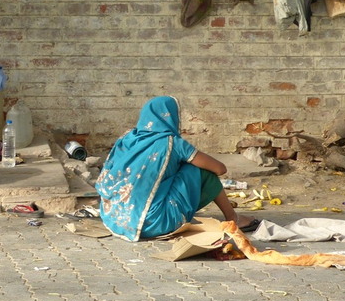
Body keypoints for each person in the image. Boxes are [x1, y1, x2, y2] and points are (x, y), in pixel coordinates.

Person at [95, 96, 259, 242]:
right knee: (200, 170)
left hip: (114, 217)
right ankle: (233, 217)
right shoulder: (171, 142)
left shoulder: (127, 138)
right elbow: (220, 169)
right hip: (154, 223)